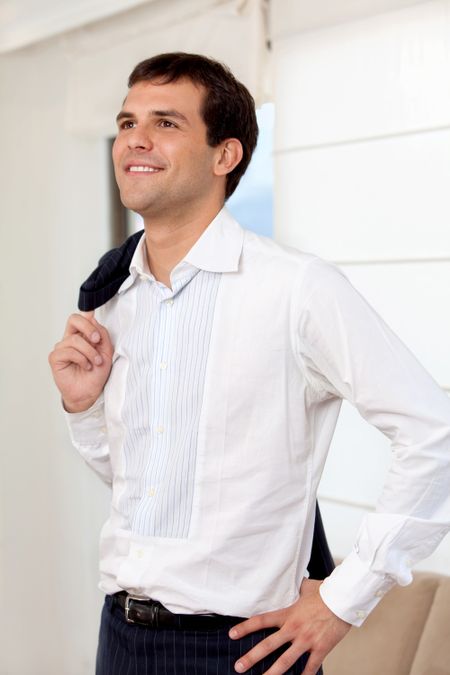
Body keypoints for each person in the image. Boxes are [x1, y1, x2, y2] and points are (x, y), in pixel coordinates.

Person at [49, 52, 450, 675]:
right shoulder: (115, 303)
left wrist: (344, 600)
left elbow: (435, 431)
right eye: (127, 123)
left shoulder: (297, 289)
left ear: (224, 155)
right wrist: (86, 408)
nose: (136, 140)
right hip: (121, 637)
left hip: (240, 651)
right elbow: (148, 487)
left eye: (166, 123)